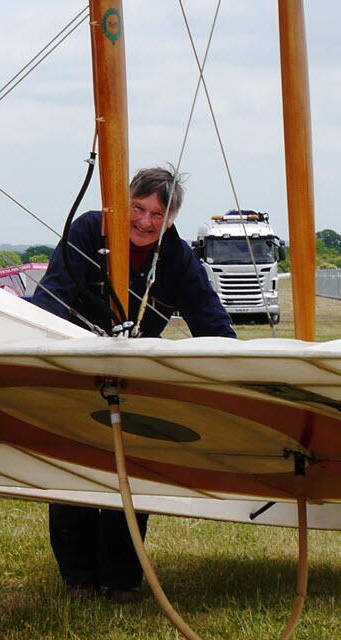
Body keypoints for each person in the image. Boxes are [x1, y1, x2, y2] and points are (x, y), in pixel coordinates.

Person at [28, 166, 236, 603]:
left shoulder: (178, 257)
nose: (144, 221)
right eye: (137, 209)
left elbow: (212, 323)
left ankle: (121, 580)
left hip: (134, 376)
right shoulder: (88, 230)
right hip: (77, 367)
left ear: (172, 220)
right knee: (72, 467)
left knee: (131, 475)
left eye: (157, 215)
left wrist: (237, 367)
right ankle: (78, 578)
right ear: (122, 205)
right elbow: (52, 298)